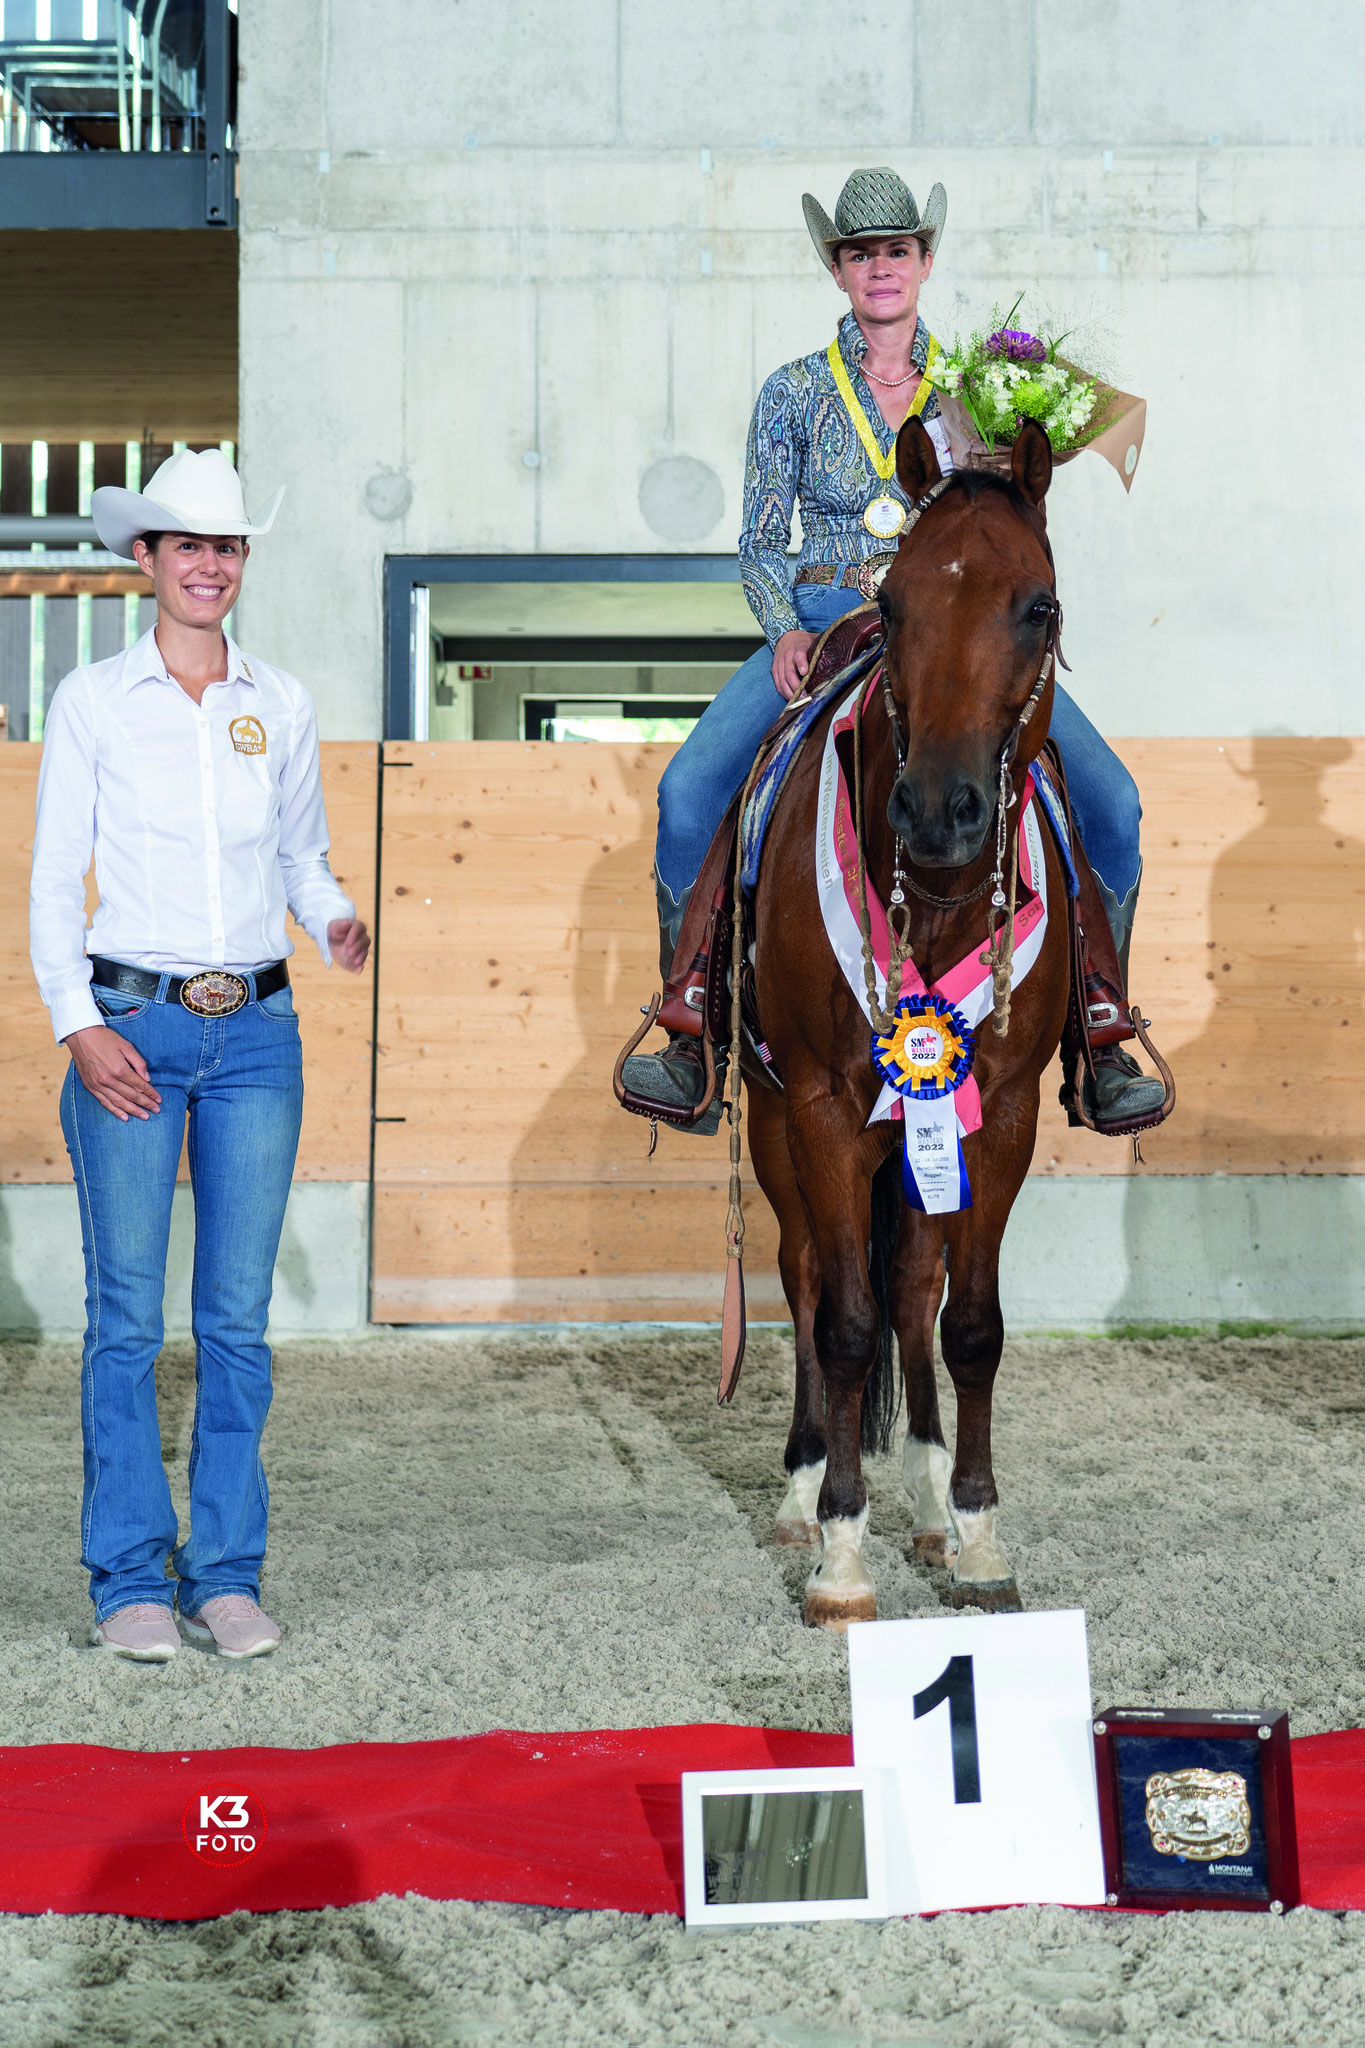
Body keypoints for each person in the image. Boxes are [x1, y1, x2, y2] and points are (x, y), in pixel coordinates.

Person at [623, 167, 1163, 1129]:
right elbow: (759, 539)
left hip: (951, 633)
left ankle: (1099, 1025)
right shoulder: (792, 392)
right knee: (689, 792)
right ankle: (692, 1019)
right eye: (861, 253)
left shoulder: (981, 391)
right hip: (829, 619)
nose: (881, 268)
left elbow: (1011, 532)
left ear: (923, 262)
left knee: (1111, 799)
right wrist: (780, 626)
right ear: (839, 271)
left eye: (898, 251)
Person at [29, 448, 370, 1663]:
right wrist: (80, 1026)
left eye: (228, 546)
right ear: (148, 560)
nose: (211, 564)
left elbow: (303, 861)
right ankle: (127, 1575)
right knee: (124, 1320)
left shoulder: (277, 701)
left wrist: (333, 915)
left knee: (233, 1321)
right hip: (127, 1029)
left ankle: (222, 1571)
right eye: (189, 545)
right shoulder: (91, 702)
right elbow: (50, 880)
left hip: (257, 1038)